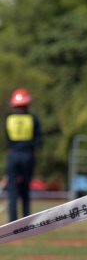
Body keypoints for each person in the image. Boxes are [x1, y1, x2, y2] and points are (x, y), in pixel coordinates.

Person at [4, 88, 43, 223]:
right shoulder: (33, 119)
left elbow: (6, 139)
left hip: (13, 155)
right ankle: (27, 221)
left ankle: (12, 222)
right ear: (28, 103)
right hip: (27, 155)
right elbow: (39, 140)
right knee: (25, 189)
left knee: (12, 190)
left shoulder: (9, 119)